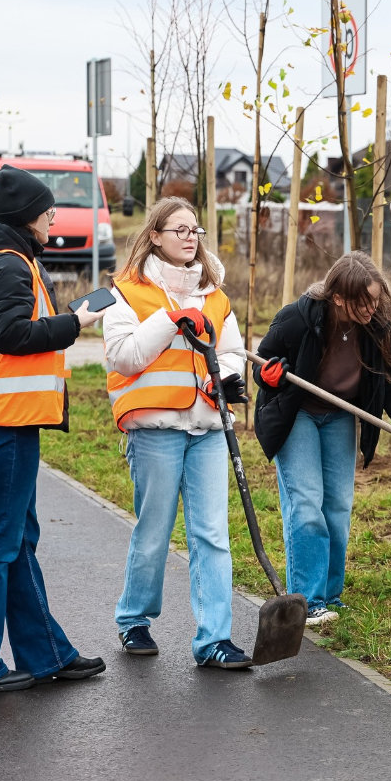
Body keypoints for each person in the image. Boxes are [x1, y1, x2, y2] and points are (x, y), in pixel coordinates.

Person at [0, 165, 107, 693]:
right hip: (3, 418)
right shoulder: (7, 261)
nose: (54, 217)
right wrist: (77, 322)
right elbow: (11, 335)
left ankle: (47, 654)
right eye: (49, 209)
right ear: (30, 215)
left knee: (17, 539)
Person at [254, 252, 391, 626]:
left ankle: (330, 596)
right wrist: (269, 377)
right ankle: (308, 601)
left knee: (337, 507)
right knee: (306, 504)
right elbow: (264, 361)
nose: (371, 307)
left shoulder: (378, 329)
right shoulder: (297, 319)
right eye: (362, 301)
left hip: (340, 414)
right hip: (298, 413)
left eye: (375, 298)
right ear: (337, 297)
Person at [104, 197, 252, 668]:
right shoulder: (126, 292)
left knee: (212, 533)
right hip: (155, 428)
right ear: (155, 236)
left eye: (196, 231)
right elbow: (124, 356)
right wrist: (168, 321)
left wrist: (219, 378)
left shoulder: (215, 294)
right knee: (154, 530)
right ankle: (134, 619)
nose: (191, 237)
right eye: (180, 230)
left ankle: (214, 640)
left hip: (208, 426)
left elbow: (231, 352)